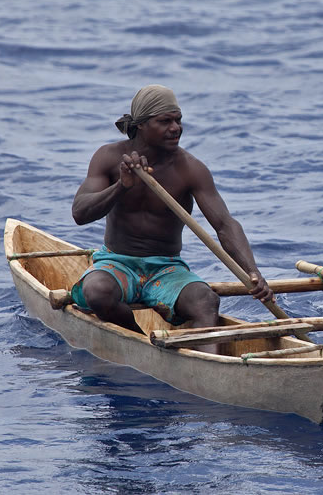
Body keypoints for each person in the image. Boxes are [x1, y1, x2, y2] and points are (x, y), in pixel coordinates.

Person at [67, 84, 274, 352]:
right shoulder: (108, 157)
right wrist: (121, 187)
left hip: (166, 268)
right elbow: (80, 213)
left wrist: (252, 272)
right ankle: (140, 342)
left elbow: (225, 225)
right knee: (97, 292)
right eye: (164, 121)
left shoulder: (191, 169)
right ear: (141, 125)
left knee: (206, 301)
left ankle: (207, 369)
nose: (175, 128)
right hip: (117, 263)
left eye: (178, 120)